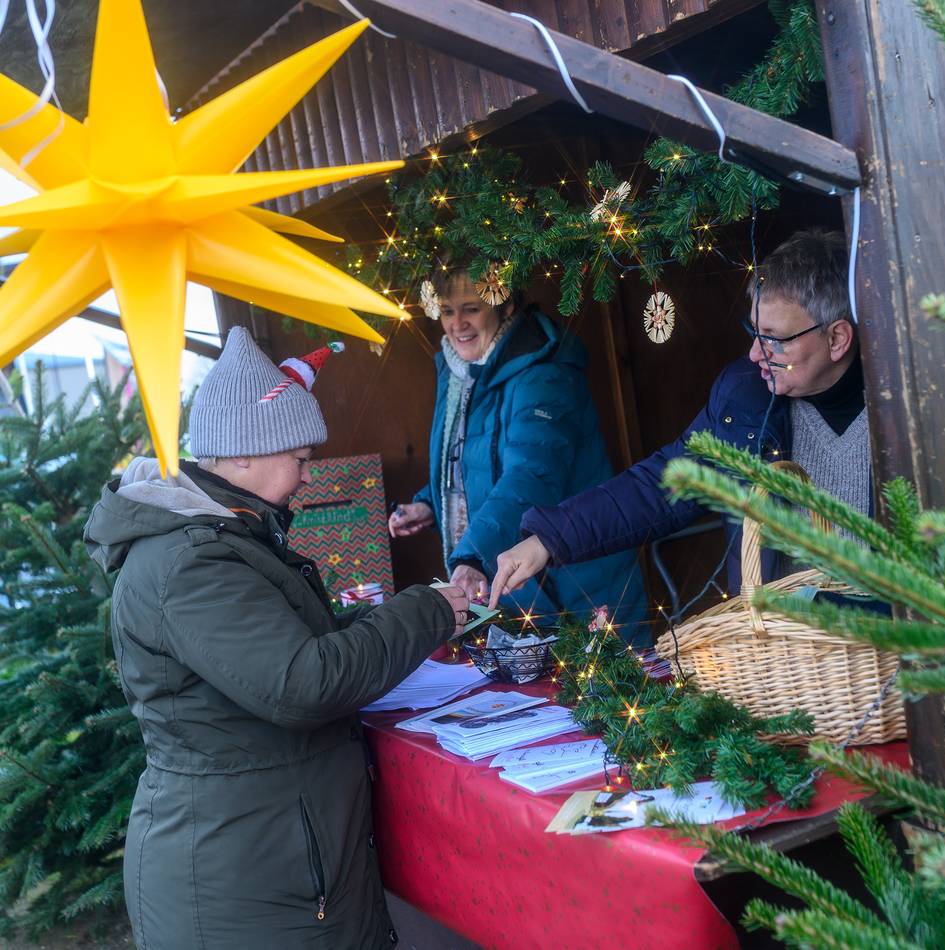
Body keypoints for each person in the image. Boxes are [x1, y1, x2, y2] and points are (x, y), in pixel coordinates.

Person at [84, 327, 468, 950]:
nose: (308, 478)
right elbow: (302, 683)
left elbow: (289, 649)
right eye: (301, 459)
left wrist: (379, 623)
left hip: (274, 863)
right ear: (243, 455)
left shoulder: (227, 537)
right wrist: (424, 613)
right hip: (242, 885)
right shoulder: (191, 562)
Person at [490, 229, 867, 608]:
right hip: (782, 650)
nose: (755, 354)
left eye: (774, 337)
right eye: (755, 332)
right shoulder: (745, 398)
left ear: (837, 339)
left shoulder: (908, 409)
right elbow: (661, 484)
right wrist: (550, 538)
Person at [389, 263, 646, 640]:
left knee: (610, 693)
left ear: (505, 306)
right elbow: (471, 457)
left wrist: (475, 555)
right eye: (447, 310)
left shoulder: (543, 372)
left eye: (471, 308)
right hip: (519, 584)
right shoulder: (459, 367)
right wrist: (431, 503)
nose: (457, 323)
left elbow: (530, 476)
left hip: (575, 583)